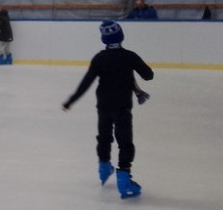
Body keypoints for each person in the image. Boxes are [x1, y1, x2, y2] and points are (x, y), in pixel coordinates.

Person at [62, 20, 155, 199]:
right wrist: (137, 69)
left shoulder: (99, 58)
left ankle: (104, 167)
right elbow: (148, 75)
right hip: (122, 106)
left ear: (103, 39)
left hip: (103, 105)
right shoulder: (129, 56)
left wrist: (70, 101)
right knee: (124, 141)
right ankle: (124, 177)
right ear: (121, 36)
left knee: (104, 136)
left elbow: (86, 82)